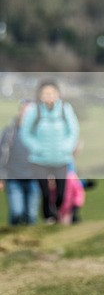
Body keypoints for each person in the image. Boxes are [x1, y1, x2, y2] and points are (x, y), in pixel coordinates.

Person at [19, 80, 80, 224]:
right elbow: (25, 132)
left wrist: (67, 147)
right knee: (45, 192)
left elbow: (74, 130)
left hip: (61, 158)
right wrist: (36, 147)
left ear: (58, 94)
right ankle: (48, 217)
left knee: (60, 193)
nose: (49, 96)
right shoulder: (34, 111)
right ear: (40, 95)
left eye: (52, 93)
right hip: (40, 159)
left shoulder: (66, 109)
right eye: (45, 93)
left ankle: (57, 212)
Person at [0, 99, 41, 226]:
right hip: (14, 178)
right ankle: (12, 239)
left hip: (35, 179)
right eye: (24, 111)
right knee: (17, 212)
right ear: (20, 111)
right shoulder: (9, 132)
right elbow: (2, 156)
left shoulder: (40, 133)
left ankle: (30, 242)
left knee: (30, 215)